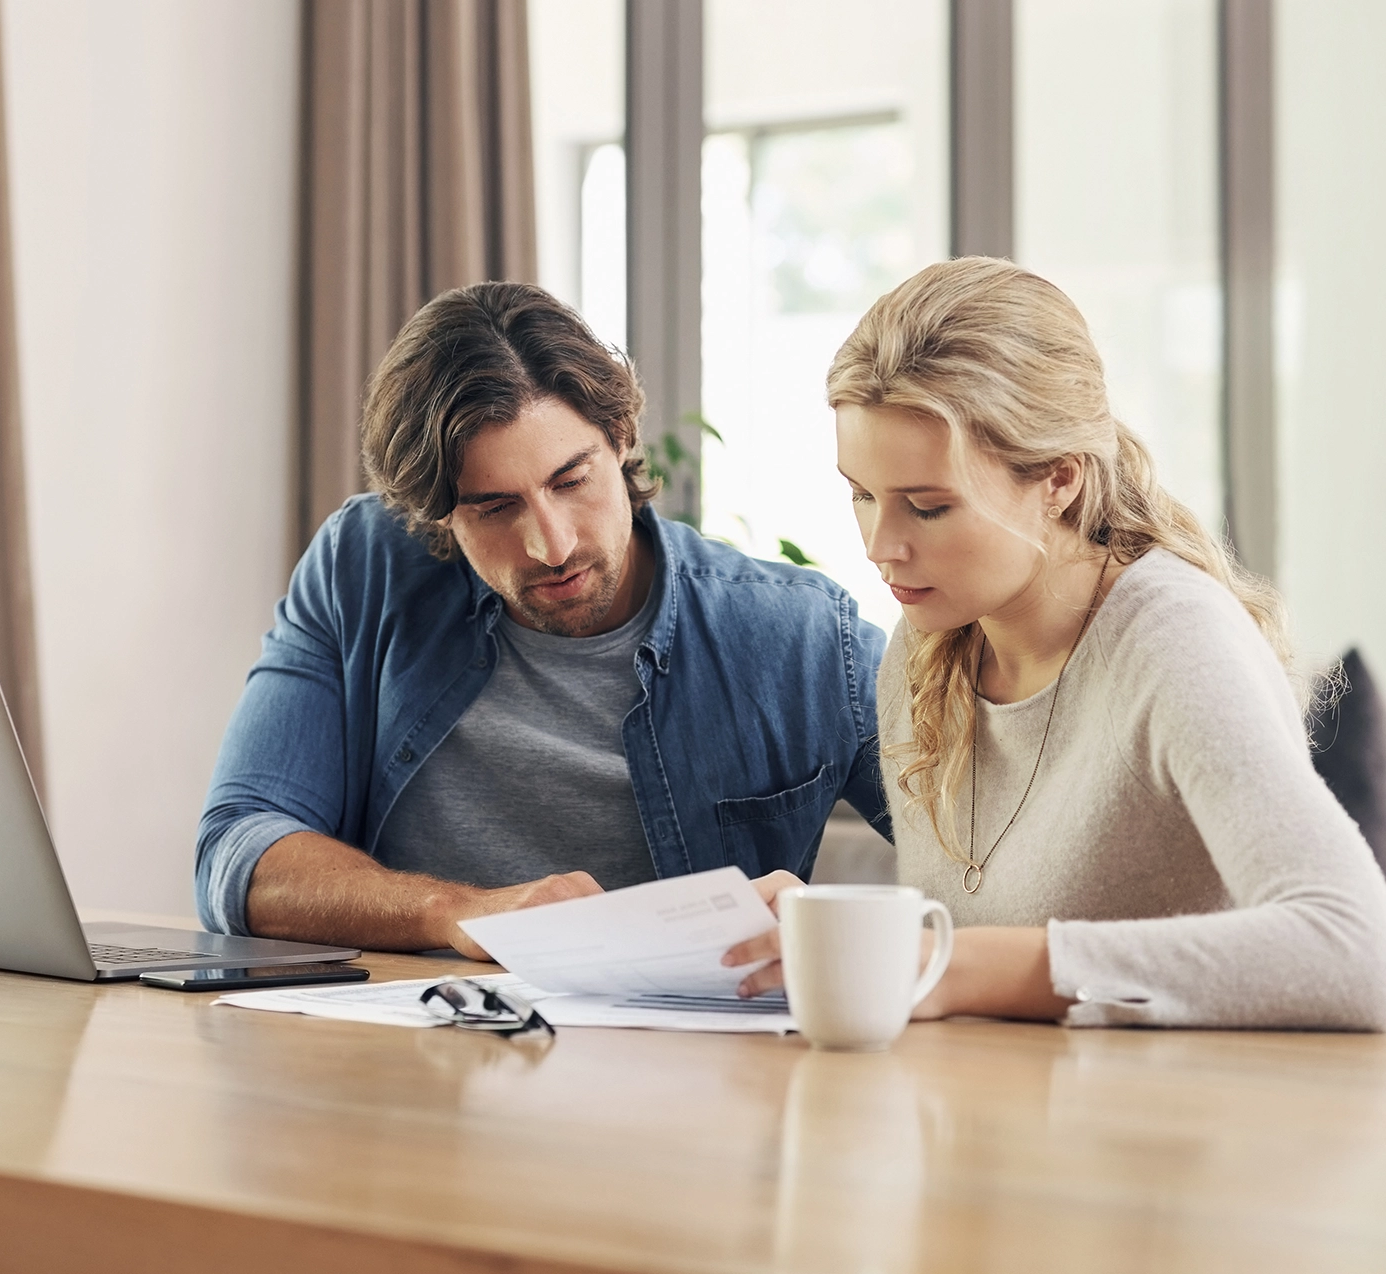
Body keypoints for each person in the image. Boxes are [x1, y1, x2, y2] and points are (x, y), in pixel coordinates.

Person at [728, 256, 1386, 1031]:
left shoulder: (1172, 638)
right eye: (861, 495)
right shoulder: (927, 648)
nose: (880, 545)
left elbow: (1352, 952)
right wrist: (843, 941)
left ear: (1061, 479)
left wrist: (946, 962)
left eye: (928, 507)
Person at [195, 281, 887, 957]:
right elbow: (238, 849)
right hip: (416, 1052)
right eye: (494, 508)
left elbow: (987, 866)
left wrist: (826, 927)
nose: (550, 546)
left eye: (570, 481)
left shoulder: (803, 634)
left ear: (619, 436)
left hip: (700, 1062)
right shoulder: (364, 567)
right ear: (437, 510)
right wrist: (459, 912)